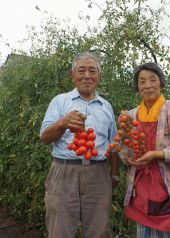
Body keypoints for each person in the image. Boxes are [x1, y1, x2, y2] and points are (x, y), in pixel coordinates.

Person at [40, 52, 120, 238]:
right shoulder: (60, 101)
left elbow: (114, 144)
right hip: (63, 173)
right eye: (81, 70)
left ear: (99, 76)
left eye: (92, 71)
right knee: (60, 230)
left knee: (99, 231)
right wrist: (62, 123)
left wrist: (114, 175)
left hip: (98, 174)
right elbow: (44, 137)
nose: (87, 75)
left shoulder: (106, 106)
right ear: (72, 75)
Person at [120, 62, 170, 238]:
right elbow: (124, 151)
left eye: (152, 80)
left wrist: (158, 154)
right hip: (142, 188)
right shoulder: (131, 116)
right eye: (142, 81)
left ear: (161, 83)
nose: (147, 85)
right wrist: (128, 155)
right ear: (137, 87)